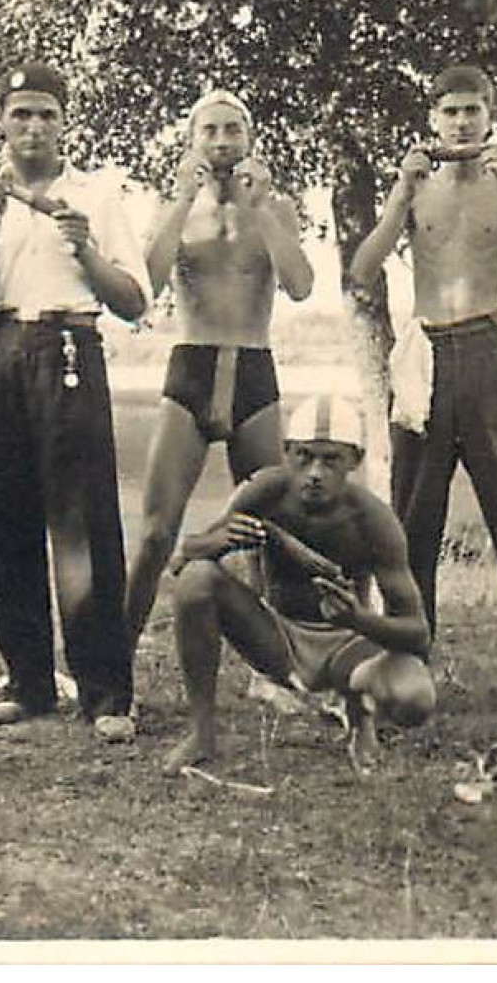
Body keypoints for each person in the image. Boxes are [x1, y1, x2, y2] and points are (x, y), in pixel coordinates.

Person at [349, 64, 497, 708]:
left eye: (471, 111)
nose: (460, 123)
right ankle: (405, 666)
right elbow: (361, 271)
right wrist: (398, 194)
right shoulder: (417, 188)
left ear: (489, 115)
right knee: (411, 520)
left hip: (488, 345)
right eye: (449, 112)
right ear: (432, 119)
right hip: (425, 353)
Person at [0, 63, 150, 742]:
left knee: (83, 526)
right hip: (3, 350)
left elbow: (133, 300)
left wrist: (84, 246)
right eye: (20, 115)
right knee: (5, 519)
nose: (33, 128)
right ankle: (26, 682)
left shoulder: (94, 195)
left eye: (46, 115)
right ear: (0, 123)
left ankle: (105, 692)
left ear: (65, 124)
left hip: (70, 348)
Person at [124, 90, 314, 654]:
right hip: (193, 364)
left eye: (233, 130)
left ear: (251, 139)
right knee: (158, 529)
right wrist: (181, 200)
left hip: (254, 365)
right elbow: (145, 289)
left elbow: (302, 285)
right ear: (192, 140)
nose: (223, 142)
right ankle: (116, 664)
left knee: (274, 530)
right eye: (210, 131)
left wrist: (260, 211)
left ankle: (283, 664)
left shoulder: (275, 208)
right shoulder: (175, 206)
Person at [160, 395, 435, 776]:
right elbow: (181, 560)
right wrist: (215, 542)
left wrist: (360, 620)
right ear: (286, 453)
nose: (315, 472)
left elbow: (418, 634)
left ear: (354, 461)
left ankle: (359, 713)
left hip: (347, 645)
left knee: (415, 695)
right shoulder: (263, 492)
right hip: (277, 637)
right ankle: (202, 734)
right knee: (197, 579)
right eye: (304, 457)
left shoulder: (374, 519)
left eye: (331, 459)